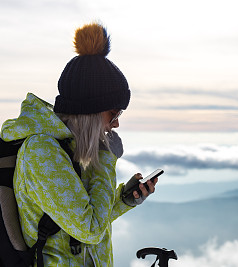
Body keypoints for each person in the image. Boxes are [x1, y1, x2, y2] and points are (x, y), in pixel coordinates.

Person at [0, 22, 157, 266]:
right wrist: (105, 158)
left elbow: (83, 217)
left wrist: (124, 200)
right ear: (90, 113)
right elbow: (90, 230)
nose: (115, 125)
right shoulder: (41, 153)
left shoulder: (69, 148)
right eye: (114, 114)